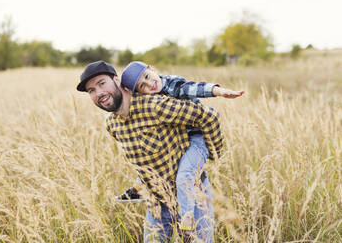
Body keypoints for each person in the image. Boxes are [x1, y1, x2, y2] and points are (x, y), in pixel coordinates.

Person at [77, 60, 224, 243]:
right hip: (156, 204)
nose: (98, 93)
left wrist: (213, 153)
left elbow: (208, 116)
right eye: (91, 90)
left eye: (101, 83)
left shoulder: (155, 105)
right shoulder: (112, 125)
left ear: (116, 80)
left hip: (193, 198)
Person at [117, 61, 244, 238]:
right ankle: (137, 188)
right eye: (142, 86)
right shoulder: (147, 102)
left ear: (152, 69)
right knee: (149, 160)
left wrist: (219, 91)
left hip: (196, 139)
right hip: (179, 142)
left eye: (147, 77)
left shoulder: (172, 85)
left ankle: (186, 219)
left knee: (184, 175)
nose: (149, 84)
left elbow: (195, 88)